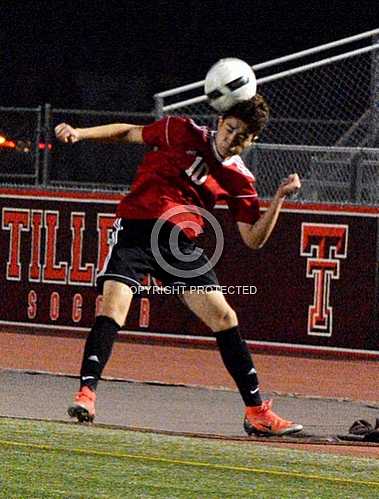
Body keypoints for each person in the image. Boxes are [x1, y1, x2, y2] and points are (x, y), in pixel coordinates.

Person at [55, 95, 303, 436]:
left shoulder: (239, 179)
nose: (233, 139)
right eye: (230, 129)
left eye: (242, 136)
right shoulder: (180, 130)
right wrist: (80, 133)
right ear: (220, 123)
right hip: (138, 231)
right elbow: (129, 132)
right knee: (114, 307)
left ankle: (257, 413)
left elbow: (253, 239)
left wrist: (278, 200)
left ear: (252, 141)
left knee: (225, 317)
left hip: (180, 247)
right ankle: (86, 395)